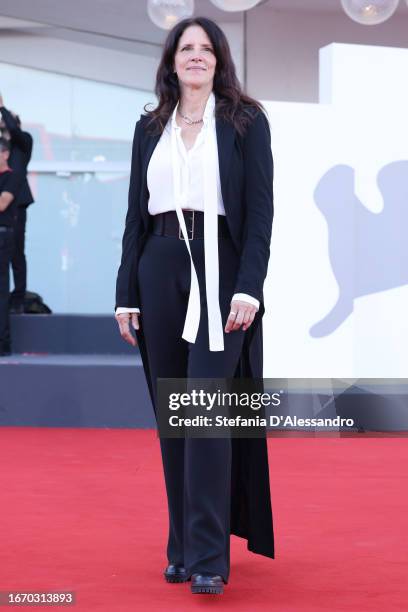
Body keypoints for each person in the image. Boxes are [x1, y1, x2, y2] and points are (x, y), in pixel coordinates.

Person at [115, 16, 274, 596]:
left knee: (204, 416)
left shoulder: (245, 122)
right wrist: (123, 294)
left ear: (219, 59)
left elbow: (260, 216)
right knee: (172, 422)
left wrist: (248, 286)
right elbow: (134, 215)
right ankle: (181, 546)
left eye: (207, 48)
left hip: (221, 270)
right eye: (187, 48)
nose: (197, 56)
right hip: (157, 266)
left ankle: (210, 556)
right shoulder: (149, 126)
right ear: (172, 60)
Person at [0, 95, 34, 314]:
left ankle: (19, 297)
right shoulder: (3, 149)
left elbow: (13, 128)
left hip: (17, 206)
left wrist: (3, 108)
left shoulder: (23, 143)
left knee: (17, 252)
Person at [0, 138, 22, 356]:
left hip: (3, 236)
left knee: (1, 290)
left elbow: (2, 204)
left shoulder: (13, 177)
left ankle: (2, 343)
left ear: (5, 154)